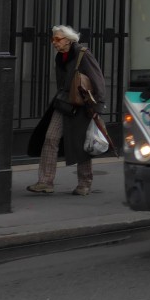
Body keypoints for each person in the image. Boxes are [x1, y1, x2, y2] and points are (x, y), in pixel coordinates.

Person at [26, 25, 106, 196]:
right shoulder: (60, 57)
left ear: (69, 40)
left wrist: (98, 106)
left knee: (81, 144)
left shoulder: (83, 54)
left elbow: (98, 79)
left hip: (82, 105)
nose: (54, 43)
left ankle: (84, 183)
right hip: (63, 103)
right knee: (50, 138)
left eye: (58, 39)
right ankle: (45, 182)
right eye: (53, 39)